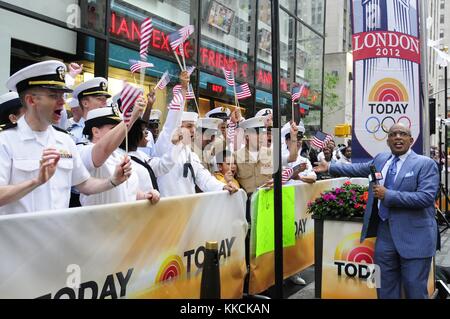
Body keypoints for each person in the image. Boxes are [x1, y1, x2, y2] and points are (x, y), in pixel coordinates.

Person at [314, 123, 440, 299]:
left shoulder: (425, 164)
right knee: (384, 288)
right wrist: (330, 167)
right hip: (384, 236)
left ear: (410, 140)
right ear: (388, 140)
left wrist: (388, 195)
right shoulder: (381, 159)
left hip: (415, 238)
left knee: (415, 290)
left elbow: (426, 198)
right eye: (393, 134)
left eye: (402, 134)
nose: (397, 137)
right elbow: (357, 169)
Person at [0, 60, 131, 214]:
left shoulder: (64, 141)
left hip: (58, 236)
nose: (62, 102)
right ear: (31, 100)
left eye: (62, 95)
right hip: (19, 238)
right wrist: (36, 181)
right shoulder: (5, 141)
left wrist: (113, 181)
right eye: (54, 96)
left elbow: (84, 184)